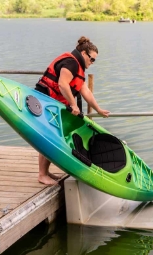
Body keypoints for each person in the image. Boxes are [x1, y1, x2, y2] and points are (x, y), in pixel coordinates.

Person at [35, 36, 110, 185]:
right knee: (50, 137)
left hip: (53, 105)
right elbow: (63, 84)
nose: (92, 62)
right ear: (83, 54)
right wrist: (73, 104)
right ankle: (42, 175)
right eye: (92, 59)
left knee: (55, 137)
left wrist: (99, 110)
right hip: (45, 101)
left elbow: (86, 92)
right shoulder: (71, 63)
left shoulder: (79, 68)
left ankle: (45, 172)